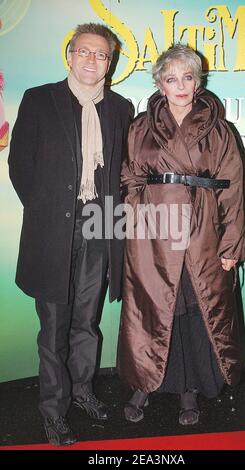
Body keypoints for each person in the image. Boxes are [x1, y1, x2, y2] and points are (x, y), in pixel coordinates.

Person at [8, 23, 132, 445]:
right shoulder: (40, 99)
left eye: (101, 55)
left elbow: (119, 175)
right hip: (53, 231)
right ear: (70, 56)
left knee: (87, 321)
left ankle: (82, 391)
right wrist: (49, 213)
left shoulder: (121, 108)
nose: (91, 60)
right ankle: (52, 410)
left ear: (110, 63)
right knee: (54, 327)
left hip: (101, 226)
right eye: (84, 51)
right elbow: (20, 166)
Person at [117, 44, 245, 426]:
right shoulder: (140, 126)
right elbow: (129, 179)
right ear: (159, 83)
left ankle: (188, 390)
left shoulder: (221, 130)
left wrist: (231, 245)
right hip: (154, 236)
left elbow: (233, 189)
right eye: (171, 78)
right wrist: (138, 225)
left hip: (202, 233)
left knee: (193, 311)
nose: (180, 85)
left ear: (198, 81)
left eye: (188, 77)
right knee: (154, 310)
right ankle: (143, 382)